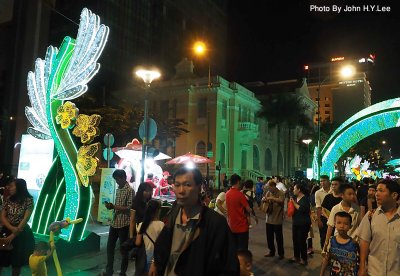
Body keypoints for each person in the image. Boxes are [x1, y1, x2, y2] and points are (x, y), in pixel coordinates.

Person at [149, 167, 239, 275]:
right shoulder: (174, 211)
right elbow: (163, 242)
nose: (181, 190)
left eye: (187, 185)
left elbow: (230, 265)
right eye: (177, 185)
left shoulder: (215, 222)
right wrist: (155, 262)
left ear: (199, 187)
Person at [358, 179, 400, 276]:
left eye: (381, 191)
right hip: (374, 271)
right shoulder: (370, 215)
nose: (376, 194)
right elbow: (364, 241)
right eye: (376, 190)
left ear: (394, 195)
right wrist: (362, 266)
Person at [102, 169, 134, 276]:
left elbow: (129, 208)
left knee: (123, 250)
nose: (116, 182)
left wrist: (114, 206)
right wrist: (110, 207)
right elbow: (118, 206)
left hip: (124, 224)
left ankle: (122, 273)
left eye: (117, 179)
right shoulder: (118, 189)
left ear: (123, 178)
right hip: (114, 223)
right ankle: (109, 271)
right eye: (115, 179)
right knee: (109, 248)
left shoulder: (130, 190)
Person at [0, 178, 35, 275]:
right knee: (1, 257)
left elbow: (25, 219)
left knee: (17, 261)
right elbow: (2, 216)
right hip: (7, 230)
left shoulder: (29, 200)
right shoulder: (8, 199)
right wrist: (11, 228)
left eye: (12, 186)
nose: (9, 188)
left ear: (19, 187)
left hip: (21, 233)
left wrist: (12, 235)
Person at [324, 183, 361, 253]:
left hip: (352, 242)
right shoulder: (336, 208)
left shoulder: (356, 209)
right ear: (342, 195)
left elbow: (359, 225)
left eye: (354, 194)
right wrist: (326, 244)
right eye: (349, 194)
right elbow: (330, 226)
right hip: (338, 242)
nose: (352, 196)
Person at [320, 212, 359, 276]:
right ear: (335, 224)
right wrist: (321, 274)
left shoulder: (354, 244)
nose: (342, 226)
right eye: (339, 223)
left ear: (350, 226)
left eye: (346, 224)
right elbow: (326, 259)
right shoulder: (331, 241)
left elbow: (358, 262)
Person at [226, 174, 257, 251]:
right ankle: (243, 263)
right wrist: (254, 217)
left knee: (234, 248)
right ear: (238, 182)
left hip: (231, 226)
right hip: (242, 226)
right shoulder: (240, 194)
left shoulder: (227, 194)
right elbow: (248, 209)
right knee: (243, 249)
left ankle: (235, 262)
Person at [135, 199, 164, 275]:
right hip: (158, 258)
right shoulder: (162, 225)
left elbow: (138, 242)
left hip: (147, 255)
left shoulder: (141, 225)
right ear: (158, 210)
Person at [289, 182, 311, 266]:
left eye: (295, 189)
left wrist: (293, 203)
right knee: (295, 240)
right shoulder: (295, 198)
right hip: (296, 222)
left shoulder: (305, 199)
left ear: (299, 190)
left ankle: (304, 259)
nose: (293, 190)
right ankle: (296, 256)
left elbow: (301, 209)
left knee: (301, 241)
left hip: (304, 223)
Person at [262, 180, 285, 259]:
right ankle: (271, 251)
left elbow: (281, 200)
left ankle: (281, 253)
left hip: (277, 219)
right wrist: (264, 199)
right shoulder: (268, 192)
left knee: (279, 238)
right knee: (269, 237)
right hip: (268, 218)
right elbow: (264, 199)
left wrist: (272, 198)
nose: (268, 189)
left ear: (273, 186)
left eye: (269, 187)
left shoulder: (280, 193)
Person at [315, 175, 331, 249]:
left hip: (334, 217)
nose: (322, 182)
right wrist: (319, 220)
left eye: (324, 180)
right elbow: (318, 207)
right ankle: (324, 253)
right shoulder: (318, 193)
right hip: (323, 218)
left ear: (328, 181)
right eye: (321, 181)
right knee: (323, 236)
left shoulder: (333, 191)